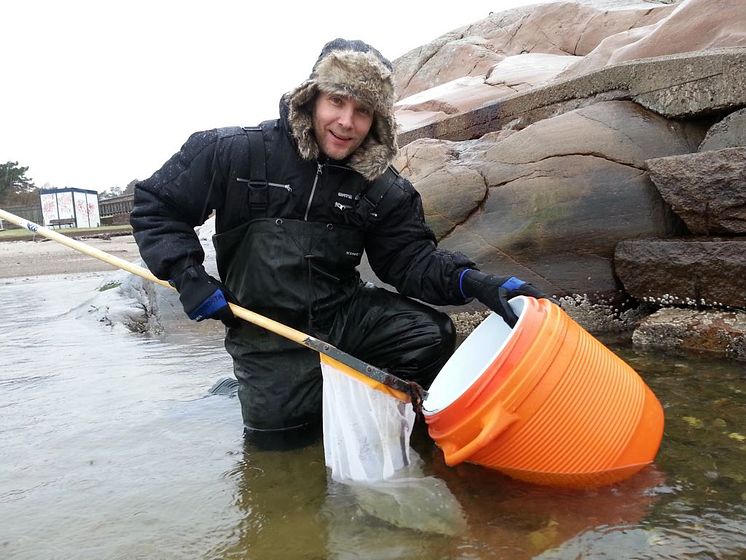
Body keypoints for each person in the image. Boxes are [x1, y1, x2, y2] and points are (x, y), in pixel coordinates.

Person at [130, 38, 547, 446]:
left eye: (363, 111)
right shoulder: (232, 152)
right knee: (280, 452)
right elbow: (157, 206)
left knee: (430, 334)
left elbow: (409, 261)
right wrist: (188, 276)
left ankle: (395, 429)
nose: (347, 122)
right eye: (336, 102)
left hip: (344, 316)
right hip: (265, 332)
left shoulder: (382, 188)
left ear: (376, 120)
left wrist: (474, 283)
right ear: (311, 98)